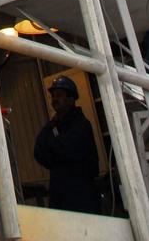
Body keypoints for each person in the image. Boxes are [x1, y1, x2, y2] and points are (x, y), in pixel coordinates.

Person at [34, 74, 101, 213]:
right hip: (60, 195)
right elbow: (39, 151)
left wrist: (54, 152)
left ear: (71, 98)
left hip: (81, 197)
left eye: (59, 95)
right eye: (53, 96)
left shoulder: (81, 125)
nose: (55, 100)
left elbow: (65, 149)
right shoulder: (52, 126)